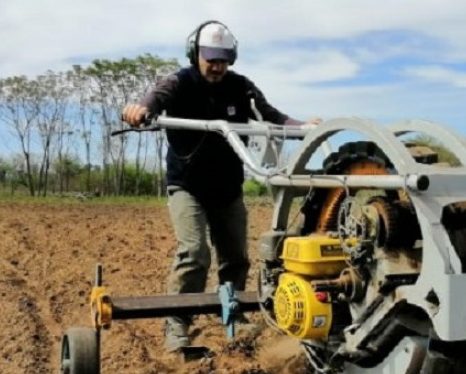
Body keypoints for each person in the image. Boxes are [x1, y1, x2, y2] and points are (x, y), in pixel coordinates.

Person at [121, 20, 320, 352]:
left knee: (236, 258)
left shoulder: (240, 87)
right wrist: (141, 110)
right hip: (188, 186)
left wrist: (303, 125)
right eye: (211, 58)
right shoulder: (179, 82)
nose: (217, 66)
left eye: (224, 59)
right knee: (194, 252)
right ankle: (178, 322)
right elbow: (155, 98)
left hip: (227, 187)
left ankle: (233, 314)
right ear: (195, 55)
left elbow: (269, 114)